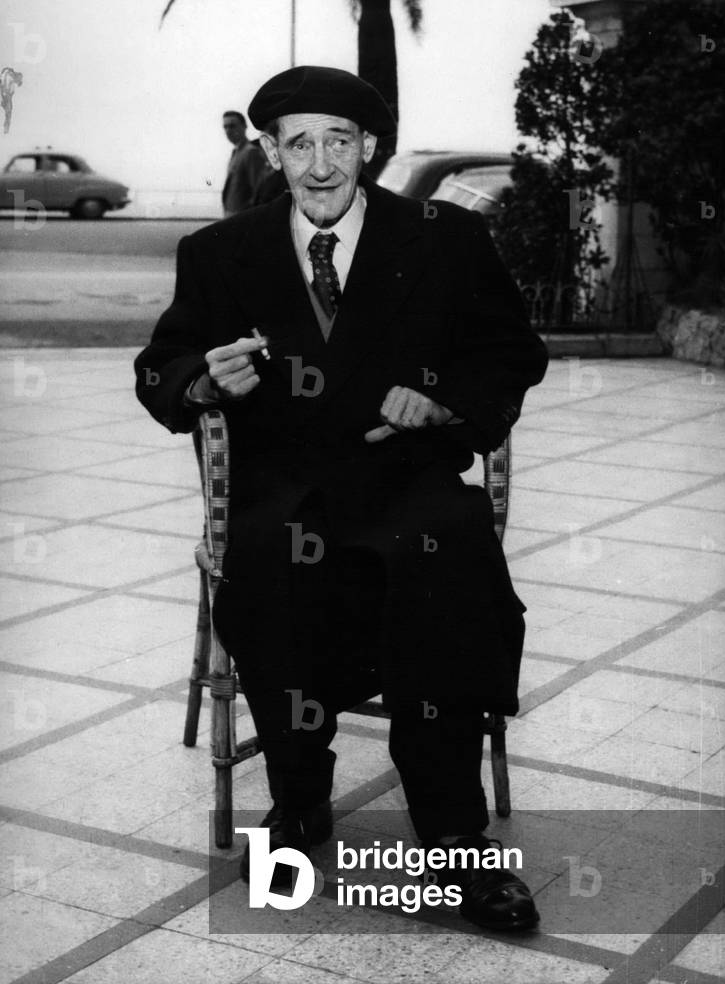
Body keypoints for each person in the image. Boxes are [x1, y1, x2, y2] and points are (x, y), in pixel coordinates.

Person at [135, 65, 548, 931]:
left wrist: (443, 403)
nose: (319, 165)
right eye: (297, 145)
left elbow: (511, 353)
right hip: (282, 490)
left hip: (409, 483)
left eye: (337, 142)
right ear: (271, 154)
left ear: (368, 148)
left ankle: (455, 840)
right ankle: (298, 802)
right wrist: (204, 381)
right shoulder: (220, 254)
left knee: (444, 578)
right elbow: (159, 369)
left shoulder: (443, 239)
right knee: (272, 579)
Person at [221, 110, 267, 215]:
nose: (228, 130)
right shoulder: (236, 152)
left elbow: (259, 192)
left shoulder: (251, 152)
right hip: (231, 218)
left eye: (232, 126)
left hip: (241, 219)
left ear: (244, 126)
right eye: (225, 127)